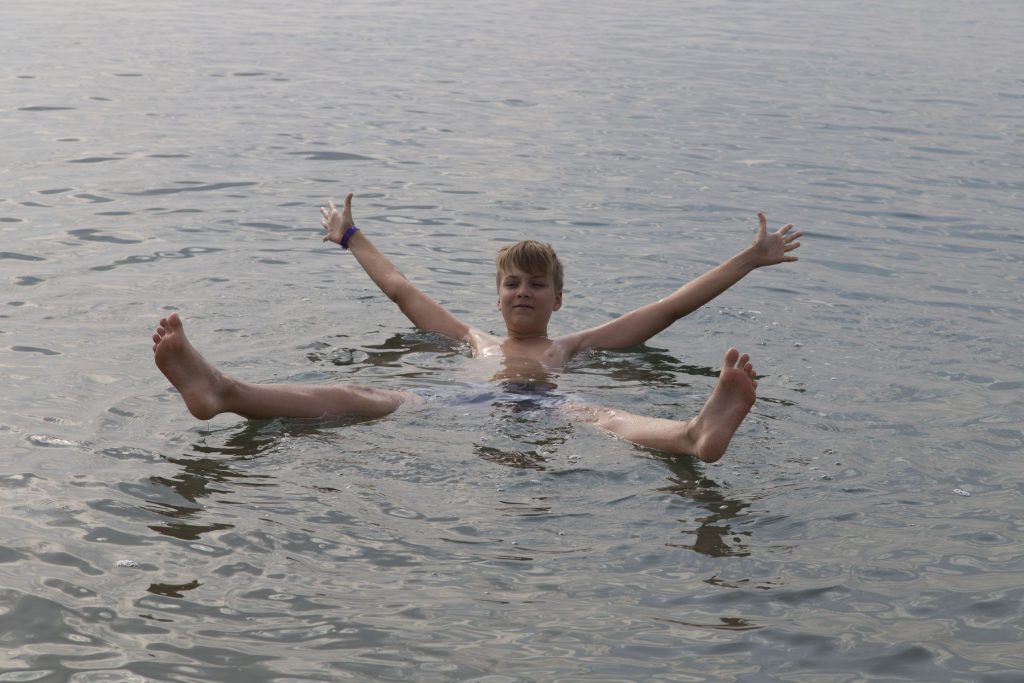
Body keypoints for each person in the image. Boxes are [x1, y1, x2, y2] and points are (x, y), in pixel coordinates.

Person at [153, 193, 801, 462]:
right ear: (497, 297)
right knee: (362, 395)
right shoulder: (474, 340)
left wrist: (748, 257)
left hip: (550, 404)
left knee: (605, 417)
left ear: (558, 298)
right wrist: (351, 236)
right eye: (512, 283)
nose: (523, 291)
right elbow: (404, 291)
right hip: (460, 400)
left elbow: (666, 309)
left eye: (535, 283)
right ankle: (222, 390)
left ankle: (692, 433)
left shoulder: (570, 345)